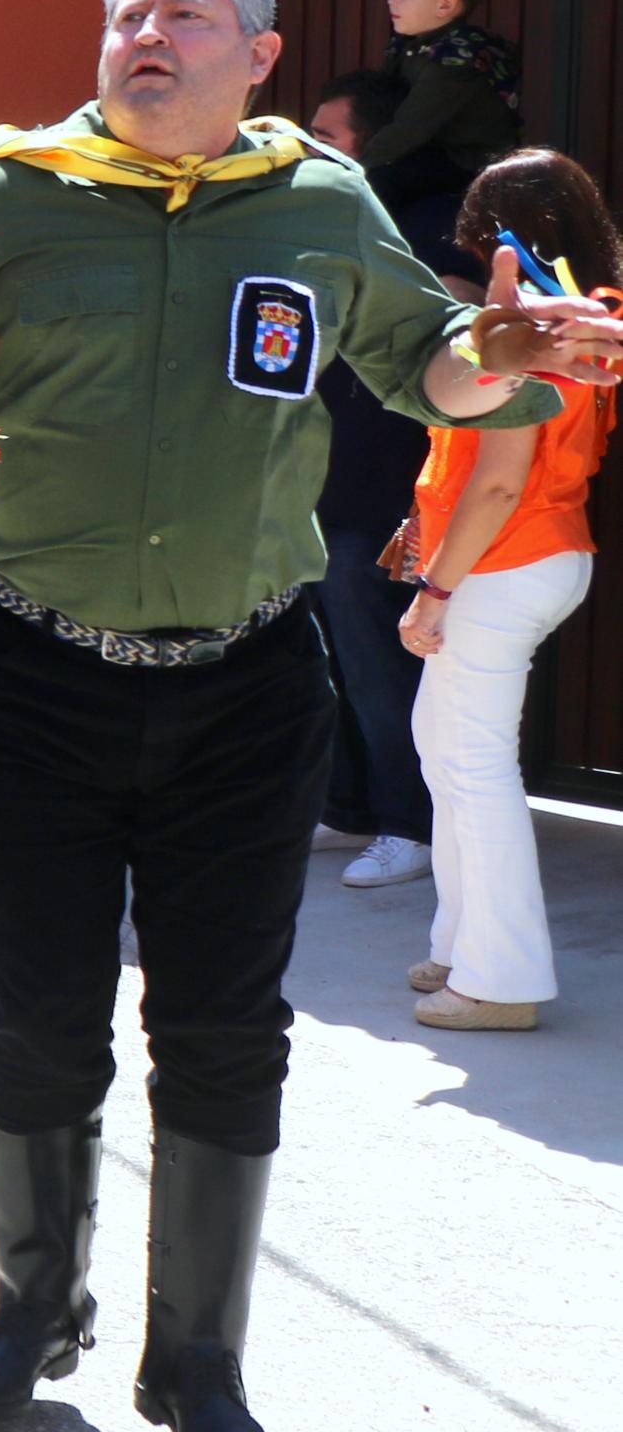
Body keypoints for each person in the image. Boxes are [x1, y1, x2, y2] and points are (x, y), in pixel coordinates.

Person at [0, 0, 618, 1432]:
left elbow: (430, 363)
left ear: (253, 55)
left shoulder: (320, 200)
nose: (144, 33)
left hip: (243, 684)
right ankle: (25, 1306)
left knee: (220, 1028)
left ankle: (195, 1356)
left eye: (183, 14)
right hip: (36, 673)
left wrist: (504, 351)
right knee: (35, 1010)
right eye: (124, 9)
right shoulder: (2, 184)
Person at [400, 150, 621, 1032]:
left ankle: (500, 980)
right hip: (532, 554)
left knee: (471, 763)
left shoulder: (528, 328)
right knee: (443, 744)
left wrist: (433, 588)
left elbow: (499, 477)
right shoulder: (585, 319)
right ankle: (462, 945)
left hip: (504, 560)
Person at [305, 70, 454, 890]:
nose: (311, 146)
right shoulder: (318, 220)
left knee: (376, 660)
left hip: (385, 487)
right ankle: (349, 804)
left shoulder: (428, 222)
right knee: (325, 659)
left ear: (377, 140)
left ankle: (409, 824)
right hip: (316, 482)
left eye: (327, 135)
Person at [364, 0, 521, 211]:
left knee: (378, 182)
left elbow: (408, 130)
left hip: (470, 166)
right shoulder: (410, 45)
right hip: (429, 153)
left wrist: (349, 166)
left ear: (445, 5)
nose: (391, 1)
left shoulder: (456, 62)